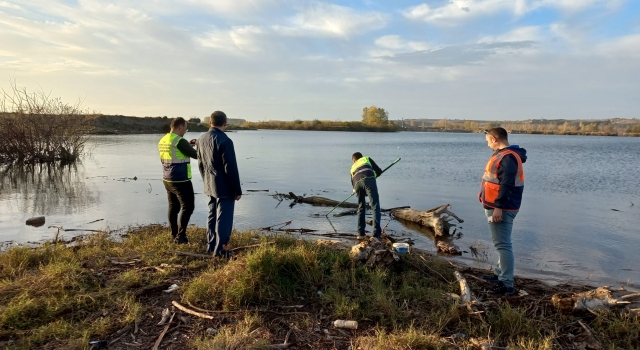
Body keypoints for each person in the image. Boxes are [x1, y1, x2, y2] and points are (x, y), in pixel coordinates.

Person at [479, 127, 527, 295]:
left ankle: (506, 284)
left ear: (494, 139)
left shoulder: (508, 158)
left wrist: (498, 208)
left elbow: (506, 185)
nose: (487, 145)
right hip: (497, 206)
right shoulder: (505, 155)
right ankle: (499, 275)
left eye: (487, 142)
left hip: (501, 208)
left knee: (503, 245)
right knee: (502, 243)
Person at [197, 111, 242, 257]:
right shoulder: (225, 141)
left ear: (210, 123)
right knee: (224, 218)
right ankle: (221, 250)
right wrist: (237, 189)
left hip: (209, 184)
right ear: (225, 124)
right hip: (224, 186)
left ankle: (211, 246)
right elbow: (231, 168)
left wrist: (205, 181)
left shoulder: (201, 139)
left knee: (212, 215)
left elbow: (200, 164)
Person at [158, 117, 197, 244]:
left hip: (167, 179)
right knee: (188, 206)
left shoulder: (163, 139)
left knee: (173, 207)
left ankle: (174, 234)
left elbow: (174, 153)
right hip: (181, 179)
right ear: (180, 127)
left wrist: (188, 146)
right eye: (185, 128)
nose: (186, 131)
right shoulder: (179, 141)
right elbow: (197, 155)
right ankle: (181, 237)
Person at [350, 152, 383, 241]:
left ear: (354, 160)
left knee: (361, 206)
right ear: (361, 157)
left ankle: (361, 233)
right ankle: (376, 235)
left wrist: (355, 190)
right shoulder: (367, 159)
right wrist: (374, 176)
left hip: (357, 184)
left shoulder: (352, 167)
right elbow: (379, 171)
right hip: (369, 180)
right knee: (375, 206)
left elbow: (353, 183)